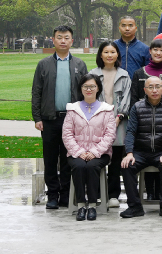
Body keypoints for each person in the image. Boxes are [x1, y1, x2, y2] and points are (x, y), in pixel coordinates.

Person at [32, 25, 88, 209]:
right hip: (49, 119)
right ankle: (52, 195)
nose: (63, 41)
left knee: (67, 158)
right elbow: (36, 92)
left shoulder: (79, 64)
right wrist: (37, 117)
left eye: (66, 37)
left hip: (71, 120)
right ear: (53, 40)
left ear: (72, 40)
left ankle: (65, 194)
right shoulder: (44, 64)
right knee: (50, 159)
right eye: (59, 37)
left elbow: (86, 92)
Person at [128, 39, 162, 200]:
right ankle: (150, 191)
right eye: (155, 49)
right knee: (145, 151)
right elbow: (134, 98)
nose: (158, 53)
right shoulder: (139, 73)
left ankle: (160, 192)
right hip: (144, 123)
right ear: (150, 51)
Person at [120, 76, 162, 219]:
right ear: (145, 90)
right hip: (140, 152)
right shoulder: (137, 107)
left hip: (161, 151)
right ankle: (134, 207)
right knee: (127, 166)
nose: (154, 90)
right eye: (150, 87)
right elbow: (131, 131)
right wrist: (129, 153)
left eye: (157, 86)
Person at [62, 74, 116, 221]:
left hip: (101, 153)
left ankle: (92, 205)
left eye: (92, 86)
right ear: (81, 88)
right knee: (79, 166)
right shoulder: (73, 109)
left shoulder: (106, 109)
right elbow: (67, 134)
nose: (89, 89)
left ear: (98, 88)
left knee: (92, 166)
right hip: (76, 153)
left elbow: (110, 135)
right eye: (85, 86)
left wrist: (94, 152)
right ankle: (81, 205)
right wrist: (79, 152)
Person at [89, 41, 131, 209]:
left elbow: (127, 98)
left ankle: (113, 195)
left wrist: (119, 117)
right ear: (101, 54)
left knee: (115, 160)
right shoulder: (92, 74)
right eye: (106, 52)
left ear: (117, 55)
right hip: (97, 123)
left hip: (118, 123)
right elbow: (89, 97)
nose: (109, 55)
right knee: (98, 157)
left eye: (112, 52)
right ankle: (98, 193)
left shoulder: (124, 75)